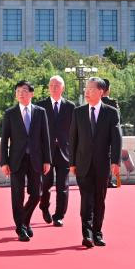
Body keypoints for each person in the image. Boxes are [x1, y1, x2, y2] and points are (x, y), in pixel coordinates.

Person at [68, 77, 121, 248]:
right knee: (86, 199)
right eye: (86, 89)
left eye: (91, 89)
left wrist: (115, 162)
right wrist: (72, 163)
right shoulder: (78, 112)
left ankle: (98, 233)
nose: (87, 92)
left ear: (100, 91)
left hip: (102, 164)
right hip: (83, 164)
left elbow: (116, 138)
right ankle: (87, 234)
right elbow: (73, 138)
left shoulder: (111, 112)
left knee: (100, 200)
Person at [0, 81, 52, 241]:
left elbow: (45, 138)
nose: (20, 94)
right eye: (18, 91)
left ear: (31, 93)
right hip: (16, 160)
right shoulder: (10, 113)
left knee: (36, 194)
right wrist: (4, 162)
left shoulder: (40, 112)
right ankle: (20, 228)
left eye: (24, 91)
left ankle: (24, 221)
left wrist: (47, 160)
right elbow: (4, 139)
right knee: (17, 195)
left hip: (36, 159)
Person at [37, 75, 75, 226]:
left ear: (63, 88)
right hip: (46, 153)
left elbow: (75, 131)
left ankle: (59, 215)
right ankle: (44, 207)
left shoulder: (70, 107)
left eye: (57, 85)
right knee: (46, 184)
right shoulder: (40, 106)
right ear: (48, 87)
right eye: (51, 85)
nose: (54, 88)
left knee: (63, 186)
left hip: (65, 153)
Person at [102, 81, 120, 187]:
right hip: (110, 134)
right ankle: (107, 180)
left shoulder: (94, 102)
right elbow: (118, 118)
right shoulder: (113, 102)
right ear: (108, 89)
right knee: (109, 158)